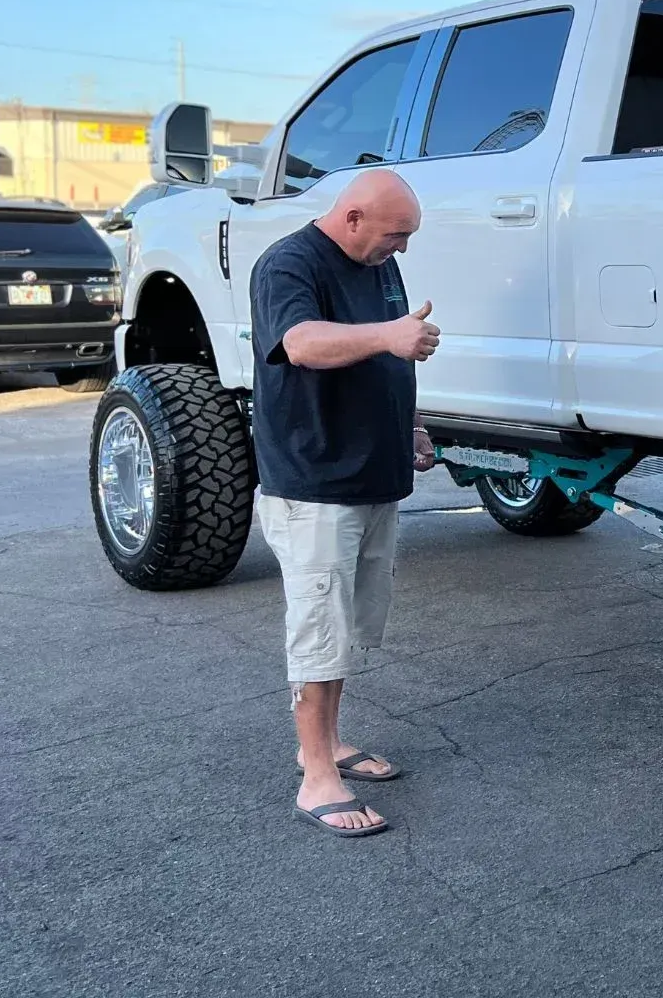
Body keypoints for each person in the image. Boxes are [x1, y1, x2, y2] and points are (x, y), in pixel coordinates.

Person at [249, 169, 441, 837]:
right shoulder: (289, 264)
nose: (403, 251)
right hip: (315, 480)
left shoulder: (377, 260)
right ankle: (315, 777)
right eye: (396, 236)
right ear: (353, 217)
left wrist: (410, 425)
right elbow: (300, 344)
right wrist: (389, 337)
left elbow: (394, 351)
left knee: (347, 623)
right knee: (318, 628)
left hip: (374, 474)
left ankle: (329, 744)